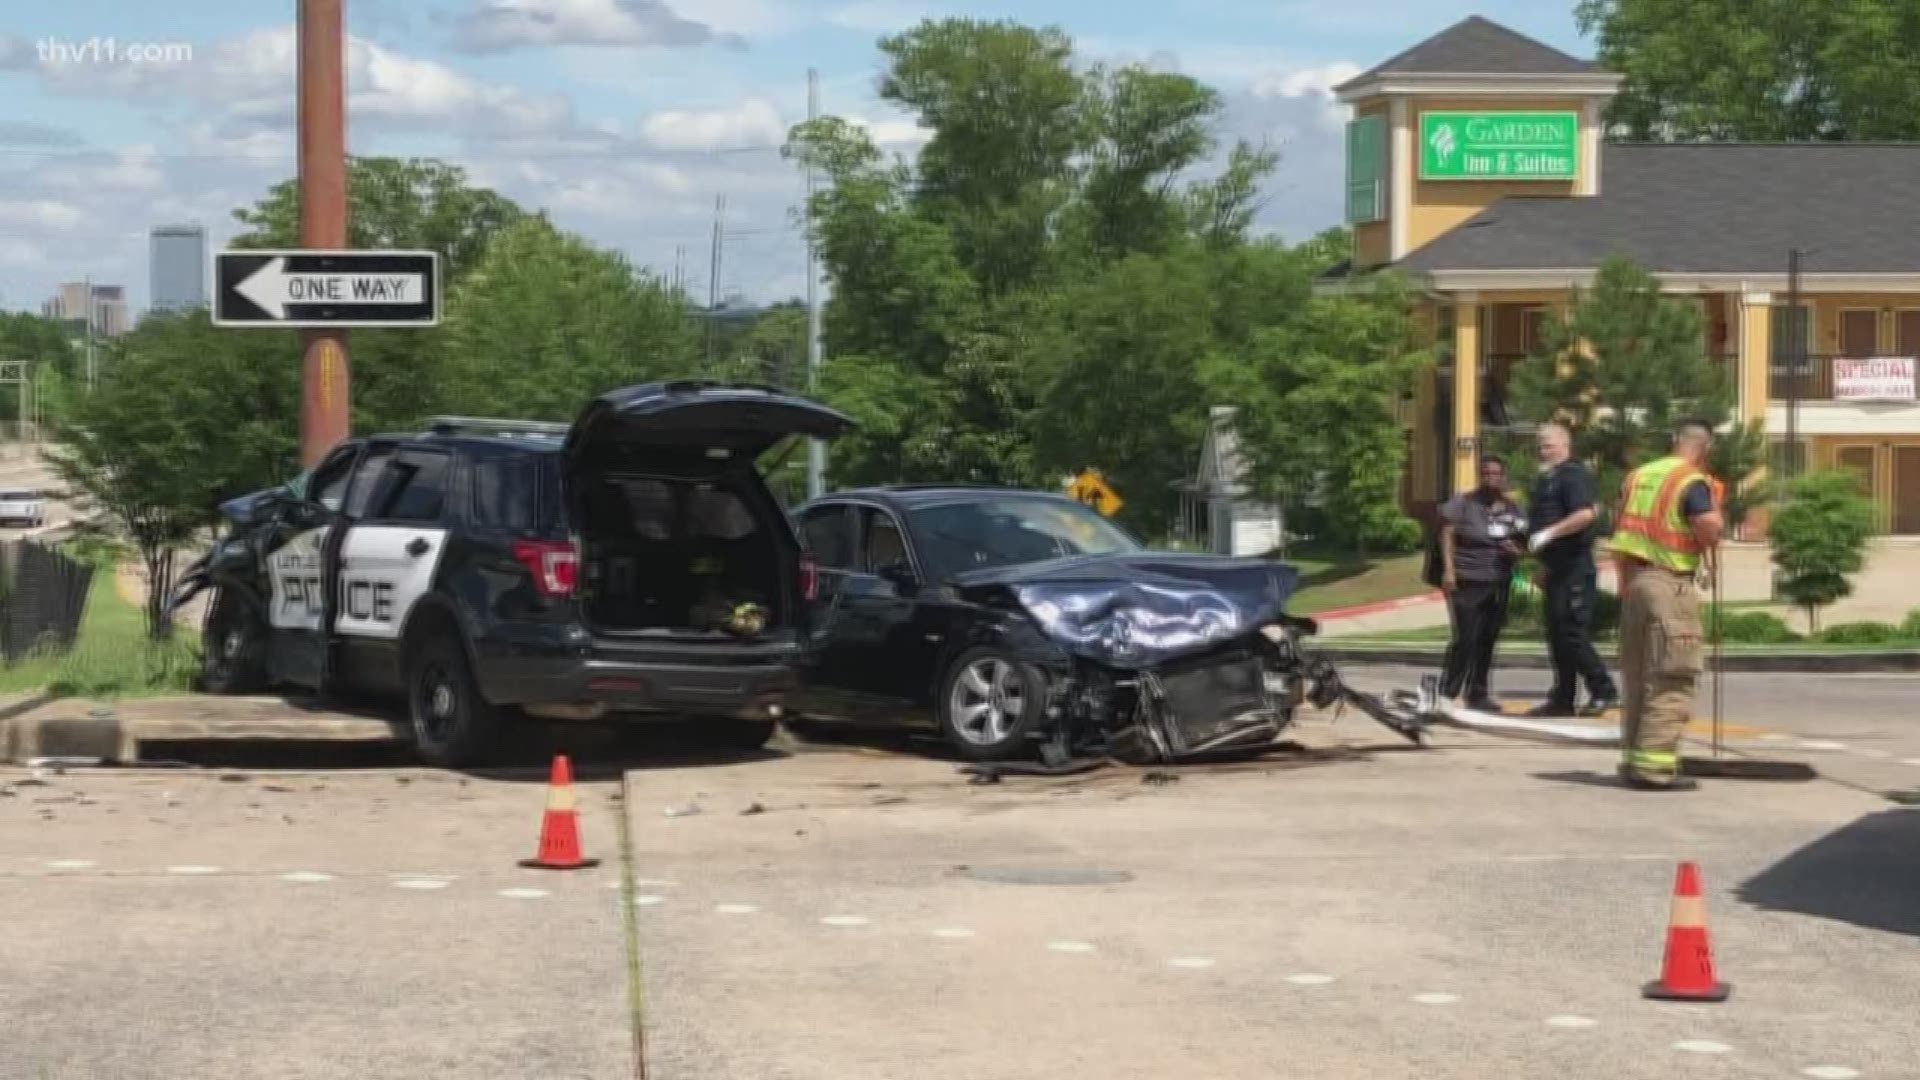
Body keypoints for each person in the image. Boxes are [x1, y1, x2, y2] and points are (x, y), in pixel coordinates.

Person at [1609, 421, 1724, 791]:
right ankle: (1655, 768)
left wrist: (1625, 585)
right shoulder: (1690, 480)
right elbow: (1707, 524)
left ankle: (1633, 762)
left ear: (1674, 440)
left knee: (1638, 677)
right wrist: (1710, 535)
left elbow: (1619, 530)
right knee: (1672, 676)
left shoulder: (1638, 477)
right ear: (1706, 448)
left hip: (1636, 584)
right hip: (1669, 584)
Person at [1525, 423, 1620, 718]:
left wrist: (1550, 533)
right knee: (1556, 635)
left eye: (1548, 445)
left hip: (1575, 568)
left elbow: (1585, 514)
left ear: (1565, 445)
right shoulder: (1548, 479)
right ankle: (1562, 697)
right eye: (1540, 446)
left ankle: (1604, 690)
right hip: (1557, 567)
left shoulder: (1573, 475)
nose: (1543, 450)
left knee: (1572, 633)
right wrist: (1545, 564)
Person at [1438, 456, 1526, 711]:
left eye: (1496, 473)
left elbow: (1524, 540)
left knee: (1487, 638)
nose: (1491, 477)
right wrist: (1449, 570)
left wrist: (1517, 550)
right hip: (1468, 578)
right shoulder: (1463, 502)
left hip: (1499, 580)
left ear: (1503, 476)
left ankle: (1478, 693)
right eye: (1486, 473)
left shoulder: (1512, 507)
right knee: (1465, 638)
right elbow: (1446, 532)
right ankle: (1447, 691)